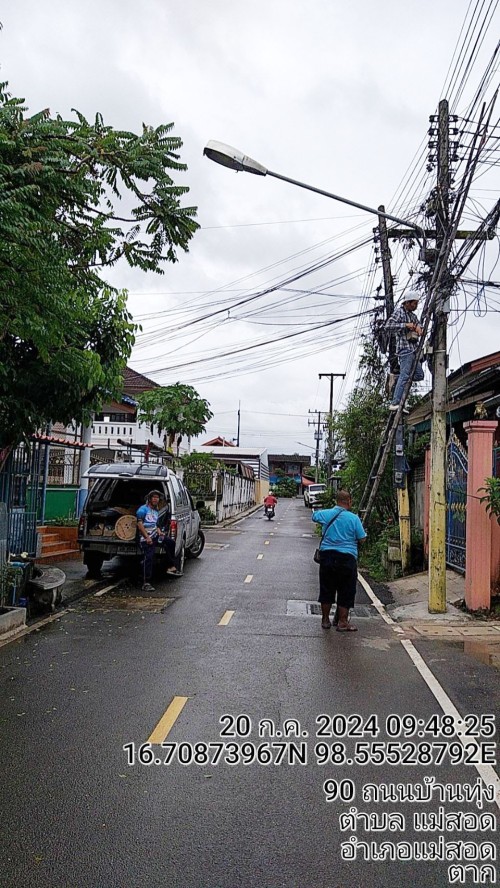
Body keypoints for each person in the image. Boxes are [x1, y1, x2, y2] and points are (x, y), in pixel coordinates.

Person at [312, 490, 366, 632]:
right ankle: (342, 622)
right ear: (349, 501)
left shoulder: (327, 514)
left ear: (337, 501)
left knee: (326, 588)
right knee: (346, 590)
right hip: (347, 558)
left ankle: (325, 620)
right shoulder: (354, 518)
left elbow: (314, 516)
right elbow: (362, 538)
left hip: (327, 557)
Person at [385, 291, 425, 411]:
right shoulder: (399, 312)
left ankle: (397, 378)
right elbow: (388, 326)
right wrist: (405, 325)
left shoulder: (413, 316)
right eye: (414, 303)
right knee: (405, 375)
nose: (416, 306)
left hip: (414, 350)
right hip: (404, 350)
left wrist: (419, 328)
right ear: (407, 302)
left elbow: (419, 326)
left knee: (419, 375)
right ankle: (395, 403)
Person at [136, 489, 177, 592]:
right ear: (149, 499)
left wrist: (159, 532)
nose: (156, 499)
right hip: (145, 537)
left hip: (155, 535)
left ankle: (170, 566)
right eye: (154, 497)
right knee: (149, 557)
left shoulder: (155, 511)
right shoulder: (142, 510)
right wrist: (147, 537)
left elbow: (156, 524)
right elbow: (139, 524)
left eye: (157, 498)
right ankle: (146, 582)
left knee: (170, 543)